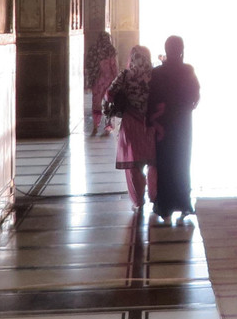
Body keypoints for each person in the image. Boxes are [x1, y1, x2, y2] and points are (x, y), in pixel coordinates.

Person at [147, 35, 200, 224]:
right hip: (182, 125)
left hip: (163, 126)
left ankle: (165, 206)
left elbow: (151, 100)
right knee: (182, 161)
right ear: (181, 50)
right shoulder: (187, 71)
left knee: (165, 163)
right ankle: (183, 202)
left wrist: (152, 121)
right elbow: (195, 96)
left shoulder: (157, 73)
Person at [104, 45, 157, 209]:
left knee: (133, 164)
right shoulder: (154, 75)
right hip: (151, 123)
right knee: (154, 162)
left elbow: (109, 94)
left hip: (131, 123)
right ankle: (155, 195)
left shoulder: (126, 75)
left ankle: (138, 199)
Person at [84, 31, 118, 136]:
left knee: (96, 102)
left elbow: (88, 63)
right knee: (108, 102)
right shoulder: (110, 50)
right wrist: (117, 79)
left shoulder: (94, 49)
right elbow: (113, 66)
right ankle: (108, 125)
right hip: (108, 79)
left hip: (97, 79)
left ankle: (95, 125)